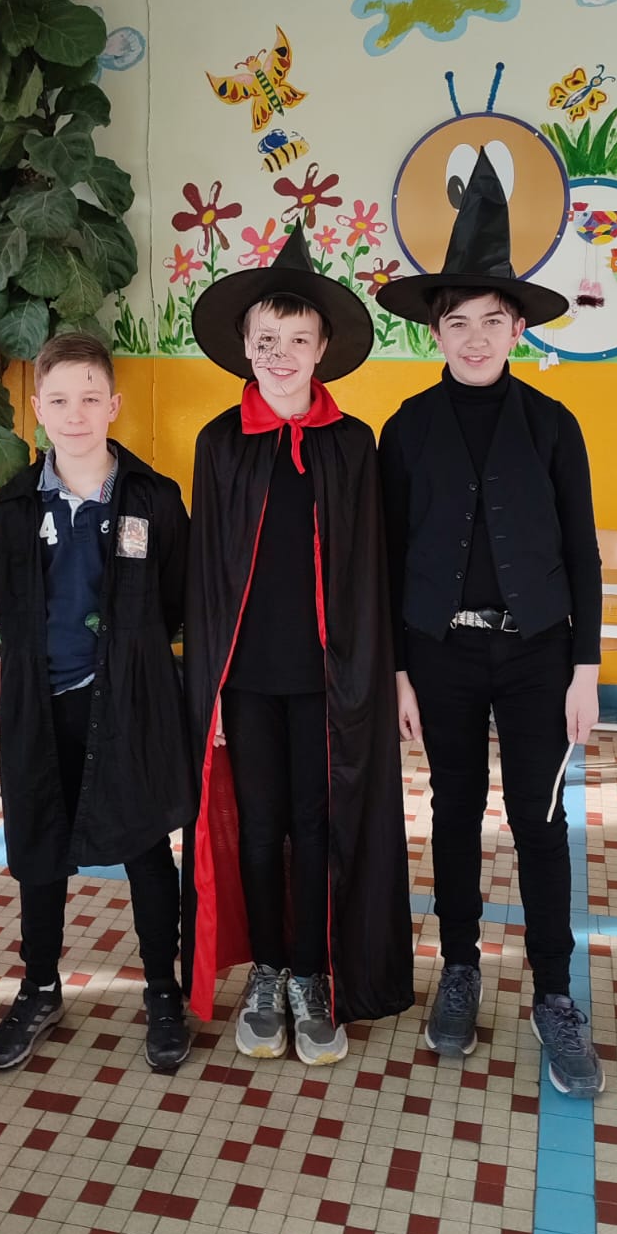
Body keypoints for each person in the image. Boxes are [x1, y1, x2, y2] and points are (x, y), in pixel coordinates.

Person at [377, 149, 605, 1098]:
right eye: (458, 322)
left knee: (540, 821)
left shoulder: (553, 425)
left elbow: (582, 553)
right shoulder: (404, 429)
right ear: (436, 330)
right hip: (440, 655)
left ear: (518, 327)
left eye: (492, 321)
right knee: (455, 812)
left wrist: (586, 668)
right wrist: (399, 670)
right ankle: (462, 968)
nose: (475, 338)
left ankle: (554, 993)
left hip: (538, 655)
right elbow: (388, 561)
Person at [183, 222, 414, 1066]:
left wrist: (383, 677)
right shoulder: (220, 443)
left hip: (328, 681)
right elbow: (206, 574)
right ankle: (269, 971)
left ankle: (315, 975)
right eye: (266, 340)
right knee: (258, 826)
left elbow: (373, 573)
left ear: (323, 349)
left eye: (297, 339)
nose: (280, 355)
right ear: (245, 346)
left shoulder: (352, 445)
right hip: (245, 680)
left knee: (318, 825)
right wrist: (204, 690)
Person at [0, 334, 197, 1074]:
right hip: (42, 708)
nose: (75, 414)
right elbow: (7, 607)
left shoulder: (153, 499)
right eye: (60, 400)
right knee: (40, 846)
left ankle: (163, 991)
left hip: (128, 706)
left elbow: (173, 603)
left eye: (90, 398)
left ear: (114, 405)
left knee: (145, 846)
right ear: (37, 409)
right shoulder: (14, 506)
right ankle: (39, 986)